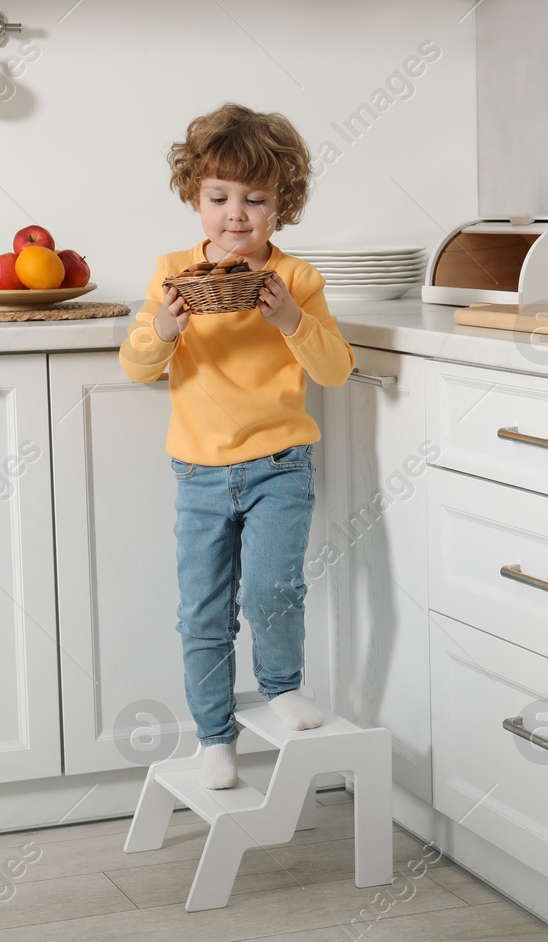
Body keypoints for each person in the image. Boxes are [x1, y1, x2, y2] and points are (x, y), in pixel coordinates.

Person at [118, 103, 354, 789]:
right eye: (219, 197)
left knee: (272, 589)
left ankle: (282, 685)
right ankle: (213, 736)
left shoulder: (299, 281)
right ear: (196, 196)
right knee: (202, 609)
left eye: (255, 199)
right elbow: (137, 367)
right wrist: (164, 324)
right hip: (198, 472)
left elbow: (334, 369)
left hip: (280, 465)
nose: (236, 215)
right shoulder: (171, 274)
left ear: (283, 203)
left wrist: (290, 318)